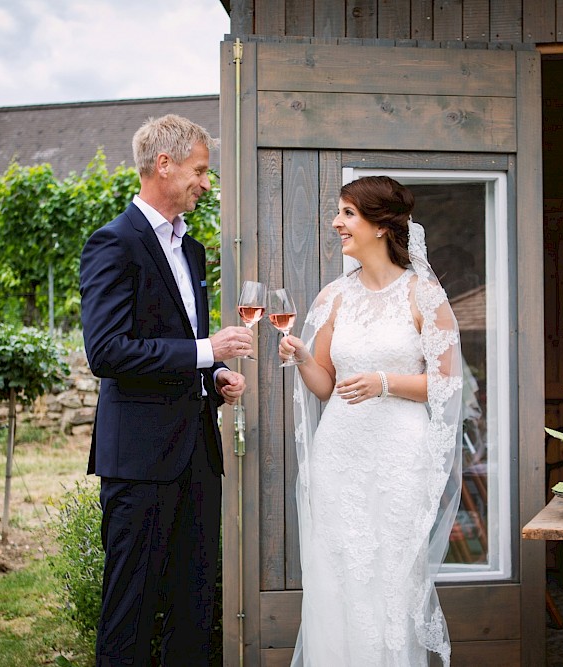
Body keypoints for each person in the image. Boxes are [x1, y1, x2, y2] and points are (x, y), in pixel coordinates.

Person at [79, 114, 253, 666]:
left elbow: (173, 344)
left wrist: (212, 378)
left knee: (194, 609)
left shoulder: (192, 249)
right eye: (200, 171)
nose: (206, 182)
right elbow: (107, 352)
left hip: (198, 457)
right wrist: (208, 352)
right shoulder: (113, 244)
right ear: (164, 164)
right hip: (139, 463)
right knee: (129, 612)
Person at [278, 175, 464, 666]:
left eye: (348, 214)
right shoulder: (333, 297)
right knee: (339, 574)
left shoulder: (423, 296)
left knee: (389, 578)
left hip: (399, 455)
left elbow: (447, 385)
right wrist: (300, 356)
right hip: (340, 453)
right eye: (339, 213)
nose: (337, 223)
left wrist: (385, 382)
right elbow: (325, 384)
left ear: (381, 226)